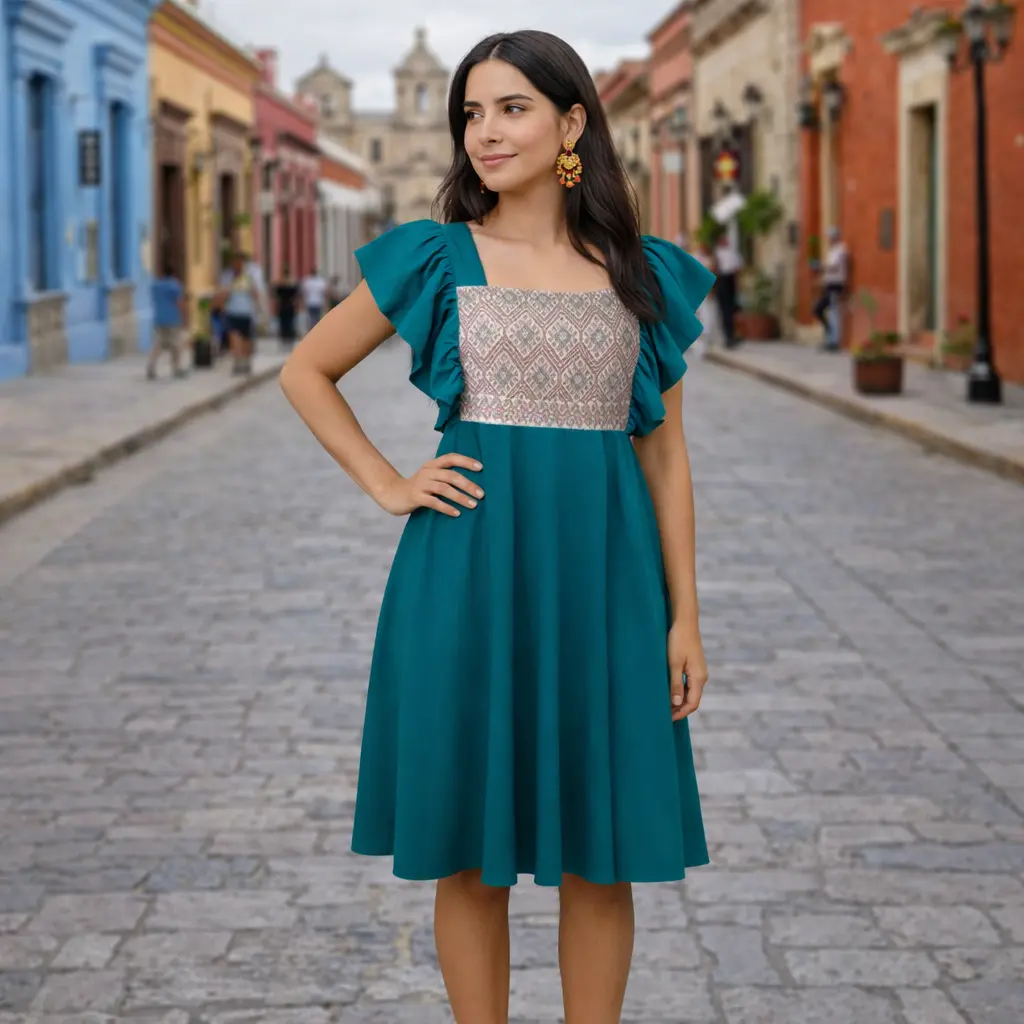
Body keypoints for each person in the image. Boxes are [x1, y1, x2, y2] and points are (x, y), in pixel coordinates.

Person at [280, 30, 711, 1024]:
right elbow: (307, 369)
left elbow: (664, 456)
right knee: (470, 855)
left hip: (605, 584)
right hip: (467, 576)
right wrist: (389, 483)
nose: (486, 132)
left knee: (602, 855)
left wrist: (685, 616)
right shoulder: (438, 255)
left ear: (572, 123)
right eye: (471, 113)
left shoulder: (639, 274)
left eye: (512, 108)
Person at [217, 250, 265, 375]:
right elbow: (223, 293)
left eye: (240, 262)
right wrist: (221, 306)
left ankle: (246, 361)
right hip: (232, 312)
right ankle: (238, 363)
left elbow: (256, 294)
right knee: (234, 337)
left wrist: (259, 309)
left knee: (246, 340)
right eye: (235, 262)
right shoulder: (228, 276)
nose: (237, 265)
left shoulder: (250, 277)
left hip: (247, 313)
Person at [147, 264, 189, 380]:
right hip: (172, 318)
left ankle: (151, 367)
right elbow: (179, 302)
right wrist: (185, 317)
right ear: (173, 274)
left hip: (159, 319)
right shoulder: (174, 286)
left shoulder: (155, 285)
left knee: (158, 344)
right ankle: (176, 368)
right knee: (176, 344)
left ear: (162, 273)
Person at [814, 226, 849, 351]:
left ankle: (834, 341)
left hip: (836, 285)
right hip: (829, 284)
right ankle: (830, 336)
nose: (829, 239)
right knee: (822, 310)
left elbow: (833, 266)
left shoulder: (840, 250)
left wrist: (822, 266)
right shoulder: (832, 251)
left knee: (834, 312)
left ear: (836, 237)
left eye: (831, 237)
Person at [713, 226, 743, 348]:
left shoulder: (733, 252)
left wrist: (738, 284)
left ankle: (734, 334)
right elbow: (715, 268)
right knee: (724, 310)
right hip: (722, 280)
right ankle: (728, 336)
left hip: (731, 280)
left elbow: (738, 269)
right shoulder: (717, 252)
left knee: (732, 309)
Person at [273, 265, 301, 350]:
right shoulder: (292, 282)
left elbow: (276, 294)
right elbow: (296, 294)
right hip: (289, 305)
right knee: (289, 323)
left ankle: (284, 341)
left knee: (284, 324)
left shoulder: (280, 282)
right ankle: (289, 341)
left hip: (283, 305)